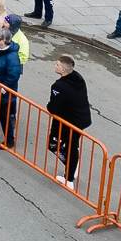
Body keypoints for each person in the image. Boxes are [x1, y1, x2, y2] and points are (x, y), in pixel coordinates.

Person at [46, 56, 92, 191]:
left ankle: (70, 171)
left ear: (63, 69)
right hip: (81, 120)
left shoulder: (59, 86)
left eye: (57, 64)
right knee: (72, 147)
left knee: (54, 146)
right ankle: (70, 174)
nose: (55, 66)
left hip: (67, 122)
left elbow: (53, 108)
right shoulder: (78, 78)